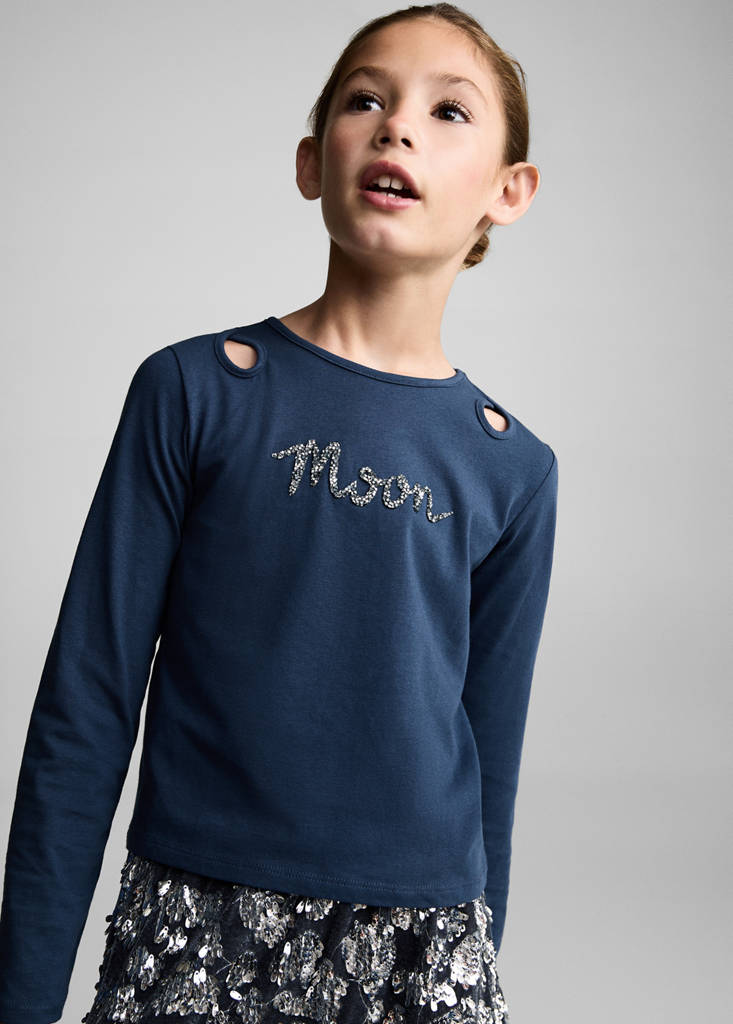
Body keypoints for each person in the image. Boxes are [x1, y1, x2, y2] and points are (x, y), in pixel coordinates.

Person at [0, 4, 559, 1022]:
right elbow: (85, 708)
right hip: (193, 929)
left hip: (421, 949)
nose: (397, 127)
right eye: (365, 101)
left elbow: (492, 766)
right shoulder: (196, 392)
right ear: (312, 161)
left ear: (508, 191)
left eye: (447, 112)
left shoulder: (512, 468)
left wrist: (473, 963)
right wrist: (22, 997)